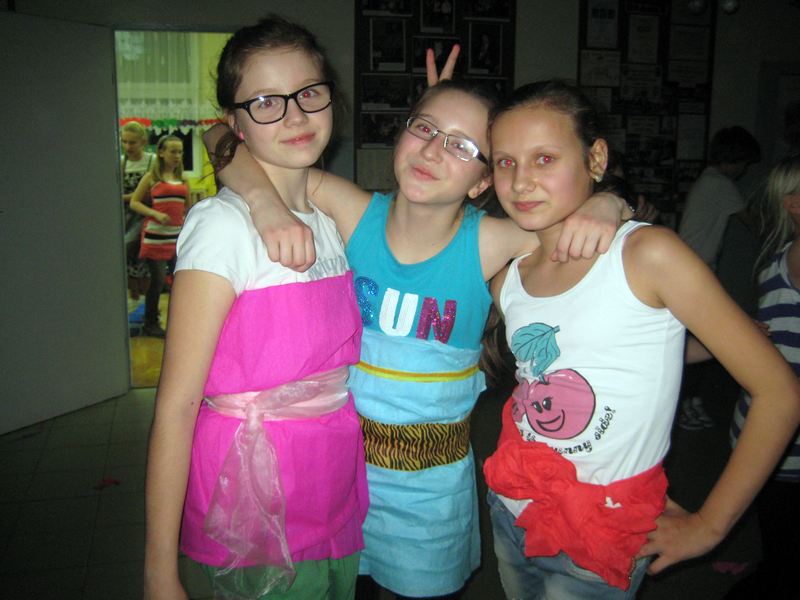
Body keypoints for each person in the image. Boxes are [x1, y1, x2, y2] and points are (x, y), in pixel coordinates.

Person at [205, 58, 631, 599]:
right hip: (338, 475)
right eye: (424, 129)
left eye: (461, 145)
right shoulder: (354, 214)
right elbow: (220, 136)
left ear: (485, 181)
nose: (432, 151)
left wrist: (609, 200)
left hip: (430, 496)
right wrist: (264, 202)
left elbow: (584, 230)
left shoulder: (491, 242)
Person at [481, 80, 800, 600]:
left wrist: (710, 525)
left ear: (595, 158)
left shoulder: (647, 254)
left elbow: (781, 393)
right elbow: (601, 350)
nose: (520, 181)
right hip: (514, 501)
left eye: (544, 158)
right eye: (505, 162)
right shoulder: (509, 277)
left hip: (602, 529)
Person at [143, 16, 368, 600]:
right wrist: (158, 571)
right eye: (266, 102)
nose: (295, 116)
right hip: (250, 499)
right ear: (235, 122)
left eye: (309, 93)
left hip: (332, 486)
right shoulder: (222, 226)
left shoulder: (331, 220)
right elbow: (176, 406)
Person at [725, 154, 800, 600]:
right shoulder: (775, 264)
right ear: (793, 204)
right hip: (775, 438)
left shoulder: (775, 262)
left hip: (768, 432)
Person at [677, 125, 761, 429]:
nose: (743, 169)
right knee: (698, 342)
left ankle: (690, 402)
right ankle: (684, 406)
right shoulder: (719, 184)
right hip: (692, 275)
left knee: (695, 341)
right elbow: (755, 224)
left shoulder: (709, 180)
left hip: (691, 272)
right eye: (744, 162)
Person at [129, 134, 189, 337]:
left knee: (178, 282)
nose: (177, 156)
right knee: (158, 282)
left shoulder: (183, 178)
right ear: (161, 153)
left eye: (180, 152)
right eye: (173, 152)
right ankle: (151, 322)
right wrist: (155, 214)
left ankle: (178, 322)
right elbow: (134, 202)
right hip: (155, 237)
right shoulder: (151, 177)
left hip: (176, 238)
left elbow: (187, 208)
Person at [120, 121, 154, 312]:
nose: (127, 147)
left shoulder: (152, 161)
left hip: (145, 215)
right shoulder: (120, 162)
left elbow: (152, 192)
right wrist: (133, 196)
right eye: (124, 142)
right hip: (124, 216)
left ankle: (150, 305)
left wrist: (130, 197)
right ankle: (134, 296)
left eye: (132, 142)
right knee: (127, 258)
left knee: (144, 258)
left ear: (143, 142)